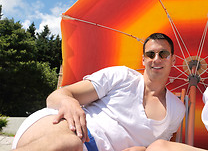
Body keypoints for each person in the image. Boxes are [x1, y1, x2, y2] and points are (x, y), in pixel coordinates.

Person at [12, 33, 185, 151]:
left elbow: (160, 146)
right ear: (143, 59)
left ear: (173, 59)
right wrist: (70, 102)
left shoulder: (177, 109)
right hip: (73, 129)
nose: (156, 59)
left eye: (163, 54)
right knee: (70, 143)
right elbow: (57, 96)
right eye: (150, 54)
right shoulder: (122, 76)